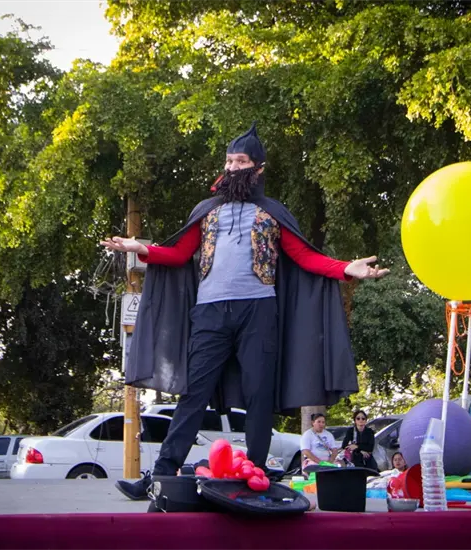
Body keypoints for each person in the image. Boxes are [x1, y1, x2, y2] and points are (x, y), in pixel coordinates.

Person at [103, 123, 389, 500]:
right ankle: (160, 475)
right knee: (193, 395)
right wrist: (138, 248)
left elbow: (303, 257)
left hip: (259, 312)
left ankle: (255, 477)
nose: (233, 167)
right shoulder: (205, 210)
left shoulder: (273, 213)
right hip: (209, 313)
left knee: (259, 396)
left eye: (241, 161)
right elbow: (178, 254)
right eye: (229, 160)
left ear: (258, 168)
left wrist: (345, 268)